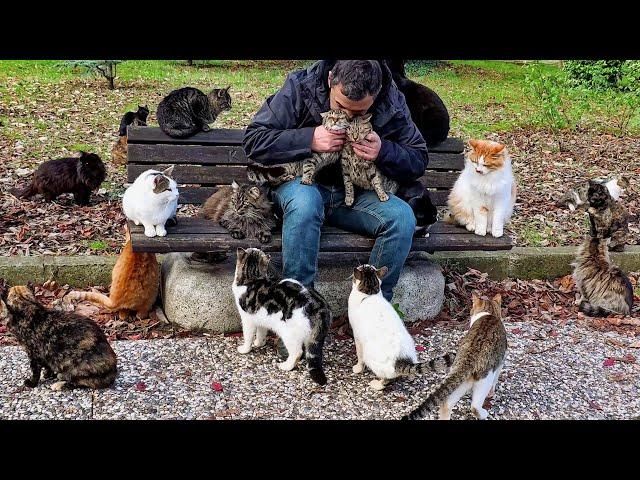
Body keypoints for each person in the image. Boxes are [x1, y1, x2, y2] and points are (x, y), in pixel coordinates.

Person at [242, 60, 428, 302]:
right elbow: (254, 140)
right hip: (300, 184)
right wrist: (309, 138)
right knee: (305, 203)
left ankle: (372, 309)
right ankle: (297, 305)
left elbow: (418, 157)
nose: (346, 117)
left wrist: (384, 151)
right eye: (340, 105)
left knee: (402, 217)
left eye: (359, 112)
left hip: (354, 195)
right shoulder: (301, 86)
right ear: (330, 80)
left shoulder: (391, 101)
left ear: (377, 92)